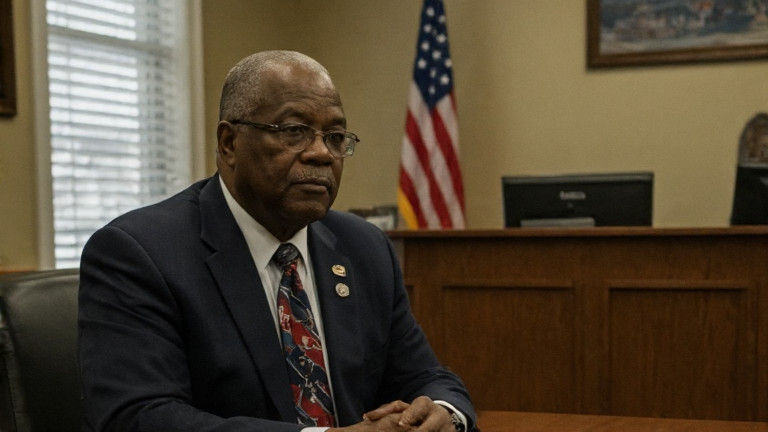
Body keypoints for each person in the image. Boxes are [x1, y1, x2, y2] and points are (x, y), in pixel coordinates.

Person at [78, 50, 477, 432]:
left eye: (336, 136)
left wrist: (442, 413)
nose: (322, 154)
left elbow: (425, 376)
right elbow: (139, 417)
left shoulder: (364, 248)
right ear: (229, 144)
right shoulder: (138, 253)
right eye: (294, 131)